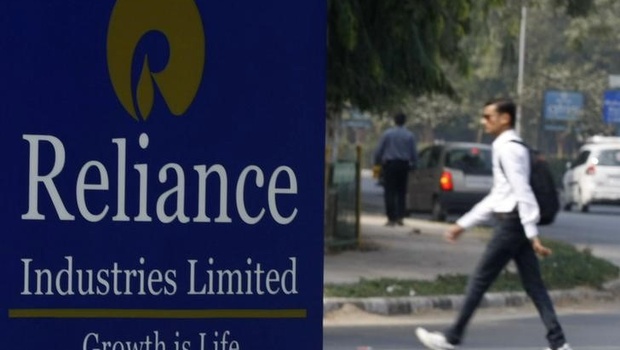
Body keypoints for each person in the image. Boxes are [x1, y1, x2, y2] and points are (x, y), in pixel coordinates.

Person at [415, 98, 572, 350]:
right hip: (515, 221)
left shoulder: (508, 148)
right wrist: (464, 224)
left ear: (504, 118)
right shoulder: (510, 146)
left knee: (479, 280)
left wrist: (532, 233)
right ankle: (559, 342)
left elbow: (521, 191)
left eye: (489, 117)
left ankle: (451, 338)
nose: (484, 122)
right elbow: (500, 194)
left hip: (511, 223)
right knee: (534, 285)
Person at [374, 113, 417, 226]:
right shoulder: (409, 135)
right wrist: (414, 165)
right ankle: (400, 217)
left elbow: (379, 150)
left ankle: (391, 218)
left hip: (390, 165)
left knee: (389, 191)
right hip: (404, 165)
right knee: (401, 192)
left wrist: (377, 163)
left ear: (394, 121)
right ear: (405, 121)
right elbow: (413, 153)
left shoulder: (388, 134)